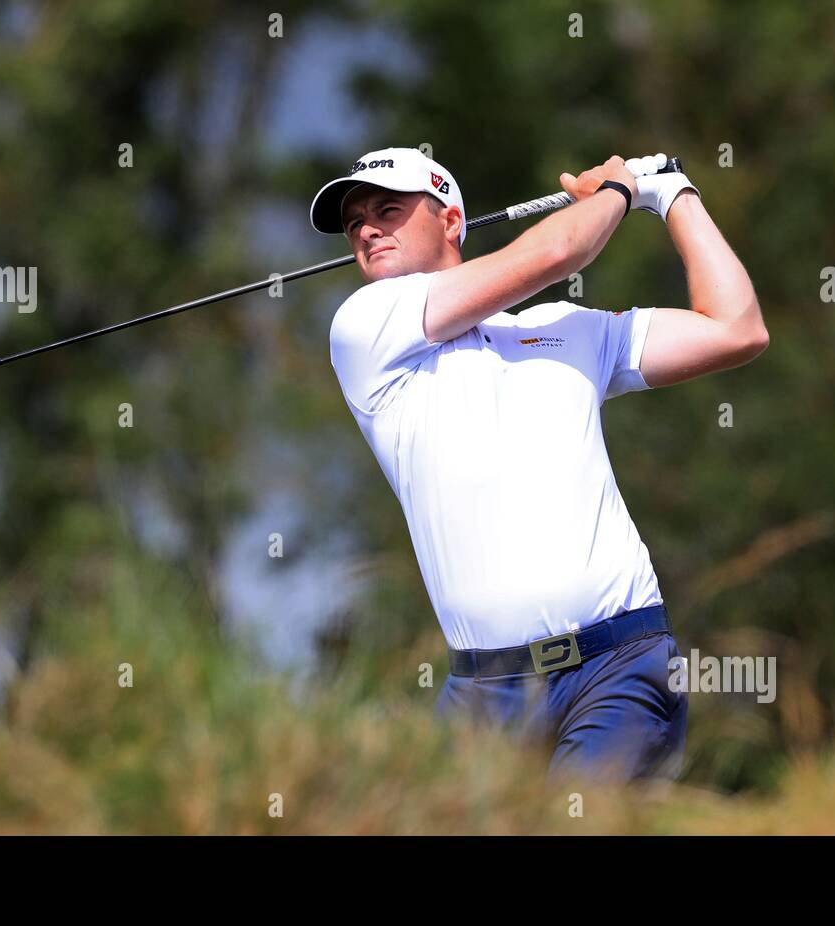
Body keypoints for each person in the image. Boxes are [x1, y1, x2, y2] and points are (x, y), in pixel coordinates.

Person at [310, 146, 767, 784]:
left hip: (619, 663)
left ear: (451, 222)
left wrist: (673, 195)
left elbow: (737, 328)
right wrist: (617, 191)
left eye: (388, 209)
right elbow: (556, 254)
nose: (365, 229)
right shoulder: (365, 326)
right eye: (354, 220)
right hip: (482, 692)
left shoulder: (567, 328)